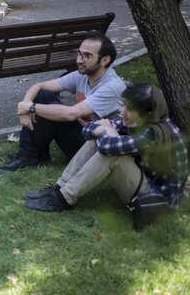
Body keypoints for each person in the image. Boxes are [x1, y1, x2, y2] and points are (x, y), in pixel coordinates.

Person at [24, 83, 188, 214]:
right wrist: (103, 130)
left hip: (156, 201)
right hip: (143, 184)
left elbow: (107, 148)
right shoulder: (140, 121)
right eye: (123, 105)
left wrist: (106, 130)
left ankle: (64, 198)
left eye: (129, 109)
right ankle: (60, 188)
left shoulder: (155, 133)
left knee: (111, 154)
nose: (122, 112)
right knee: (98, 141)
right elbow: (87, 131)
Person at [0, 32, 126, 173]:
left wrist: (30, 107)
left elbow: (71, 114)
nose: (79, 60)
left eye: (87, 56)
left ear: (105, 60)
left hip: (97, 149)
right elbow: (39, 86)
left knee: (52, 109)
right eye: (79, 53)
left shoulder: (112, 86)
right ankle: (30, 155)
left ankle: (30, 155)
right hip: (84, 134)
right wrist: (25, 105)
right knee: (43, 95)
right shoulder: (82, 75)